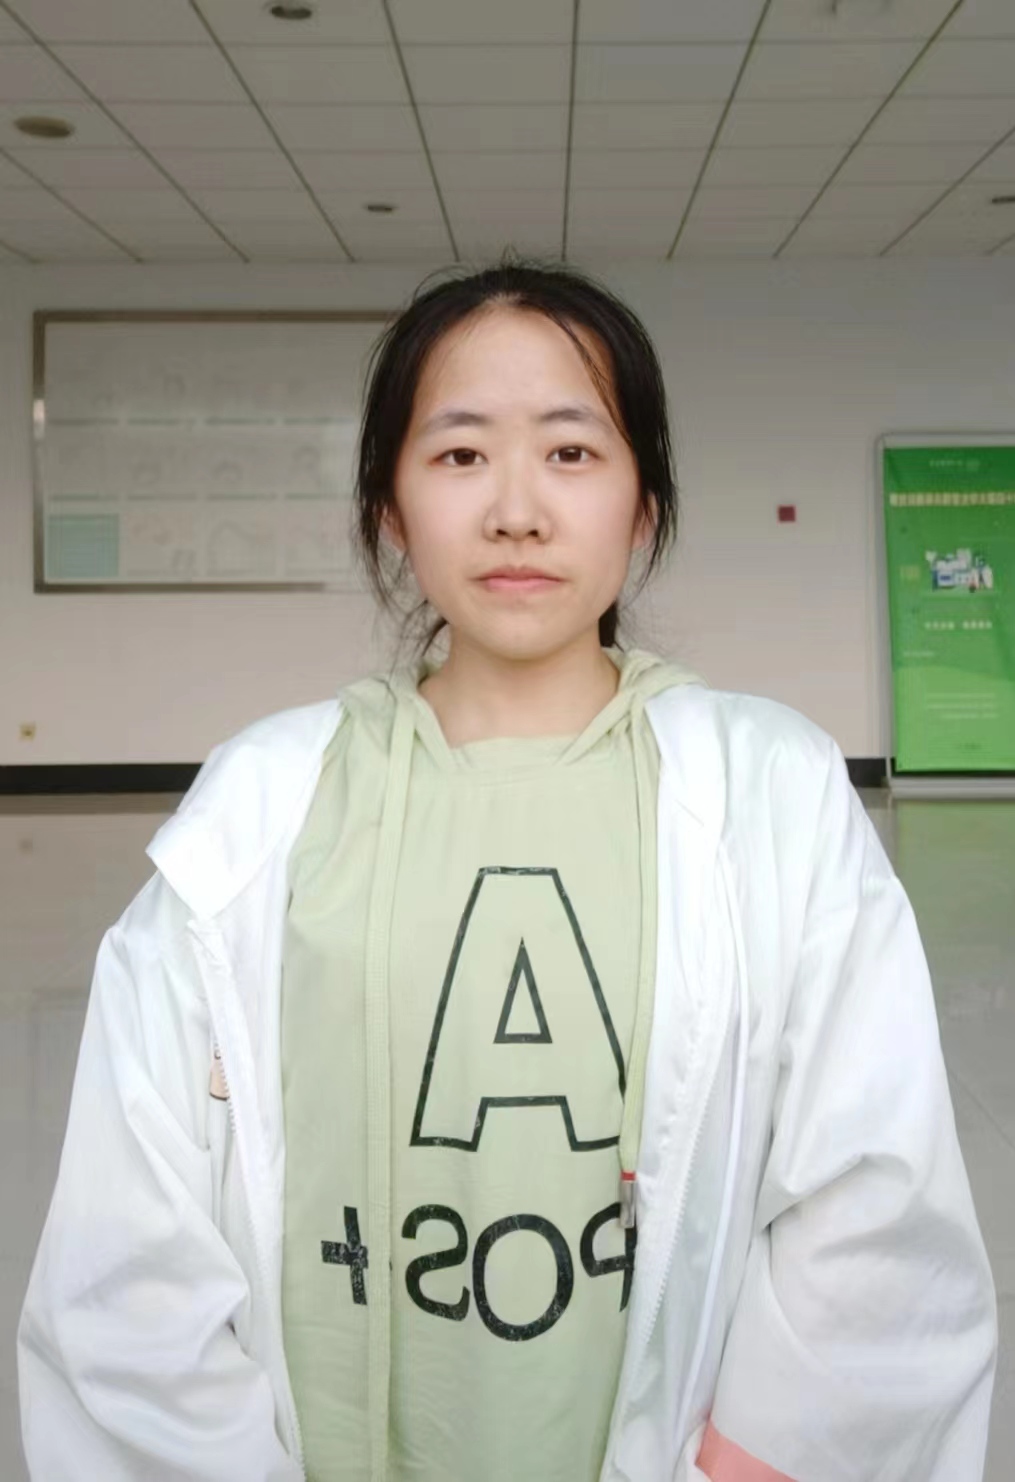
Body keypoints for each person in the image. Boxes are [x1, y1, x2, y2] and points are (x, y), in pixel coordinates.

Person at [17, 258, 996, 1482]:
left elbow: (873, 1196)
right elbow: (130, 1238)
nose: (517, 511)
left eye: (572, 453)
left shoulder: (769, 790)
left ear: (643, 506)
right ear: (389, 507)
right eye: (461, 453)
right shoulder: (261, 804)